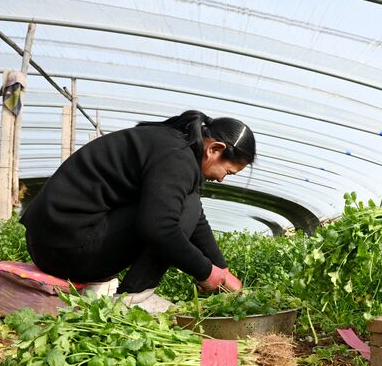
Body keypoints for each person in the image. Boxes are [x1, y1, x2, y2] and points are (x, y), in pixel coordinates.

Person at [21, 110, 255, 313]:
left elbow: (197, 218)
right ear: (214, 149)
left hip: (51, 243)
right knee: (169, 218)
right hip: (66, 251)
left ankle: (126, 293)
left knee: (187, 203)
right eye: (228, 170)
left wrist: (221, 268)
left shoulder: (172, 145)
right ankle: (133, 298)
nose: (223, 179)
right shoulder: (177, 157)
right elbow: (159, 228)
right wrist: (206, 272)